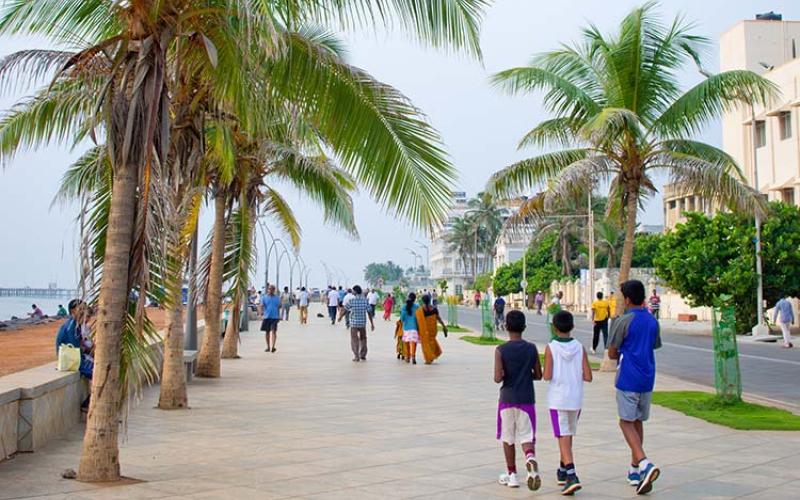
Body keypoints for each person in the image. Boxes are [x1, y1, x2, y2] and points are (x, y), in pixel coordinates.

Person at [608, 280, 662, 495]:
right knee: (637, 420)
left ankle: (643, 462)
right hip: (647, 377)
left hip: (628, 377)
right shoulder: (652, 321)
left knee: (625, 422)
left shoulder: (623, 321)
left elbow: (612, 353)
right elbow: (653, 345)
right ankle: (635, 469)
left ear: (628, 299)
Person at [544, 310, 592, 495]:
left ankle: (571, 473)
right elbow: (588, 376)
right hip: (575, 397)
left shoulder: (552, 347)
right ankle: (563, 469)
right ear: (572, 326)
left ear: (554, 328)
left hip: (558, 398)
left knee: (562, 434)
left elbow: (547, 375)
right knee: (568, 433)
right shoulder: (580, 347)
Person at [494, 310, 542, 491]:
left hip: (507, 399)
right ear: (524, 327)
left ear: (506, 327)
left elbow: (497, 378)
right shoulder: (531, 348)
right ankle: (530, 458)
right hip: (527, 398)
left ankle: (512, 474)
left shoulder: (500, 350)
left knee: (508, 437)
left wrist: (506, 372)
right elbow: (538, 375)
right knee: (527, 436)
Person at [55, 299, 93, 409]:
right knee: (99, 373)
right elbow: (76, 348)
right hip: (73, 360)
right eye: (80, 309)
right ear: (72, 311)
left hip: (77, 358)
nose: (83, 312)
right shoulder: (71, 326)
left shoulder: (77, 325)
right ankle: (88, 404)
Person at [339, 285, 374, 362]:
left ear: (355, 291)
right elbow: (369, 312)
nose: (352, 291)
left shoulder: (352, 301)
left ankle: (356, 356)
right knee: (363, 339)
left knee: (354, 340)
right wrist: (372, 323)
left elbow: (345, 310)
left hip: (354, 324)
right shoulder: (365, 301)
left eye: (353, 290)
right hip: (362, 323)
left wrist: (340, 317)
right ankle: (363, 355)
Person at [416, 294, 447, 365]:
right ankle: (431, 356)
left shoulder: (421, 310)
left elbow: (420, 322)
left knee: (426, 344)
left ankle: (428, 358)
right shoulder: (434, 309)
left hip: (425, 330)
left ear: (423, 301)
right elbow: (438, 318)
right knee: (432, 342)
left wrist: (418, 330)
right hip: (433, 329)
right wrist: (443, 326)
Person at [259, 285, 281, 353]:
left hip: (274, 317)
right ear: (268, 290)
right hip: (267, 317)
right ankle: (268, 346)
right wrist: (261, 314)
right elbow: (261, 306)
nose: (270, 290)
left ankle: (273, 346)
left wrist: (279, 316)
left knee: (274, 331)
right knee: (267, 332)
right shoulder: (264, 297)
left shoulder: (277, 298)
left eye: (272, 289)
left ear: (274, 290)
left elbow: (278, 307)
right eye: (269, 289)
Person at [400, 293, 420, 364]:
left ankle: (408, 357)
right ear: (415, 299)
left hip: (406, 328)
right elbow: (420, 317)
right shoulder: (417, 307)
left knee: (407, 343)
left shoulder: (404, 307)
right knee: (414, 343)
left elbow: (402, 318)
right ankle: (413, 356)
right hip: (414, 327)